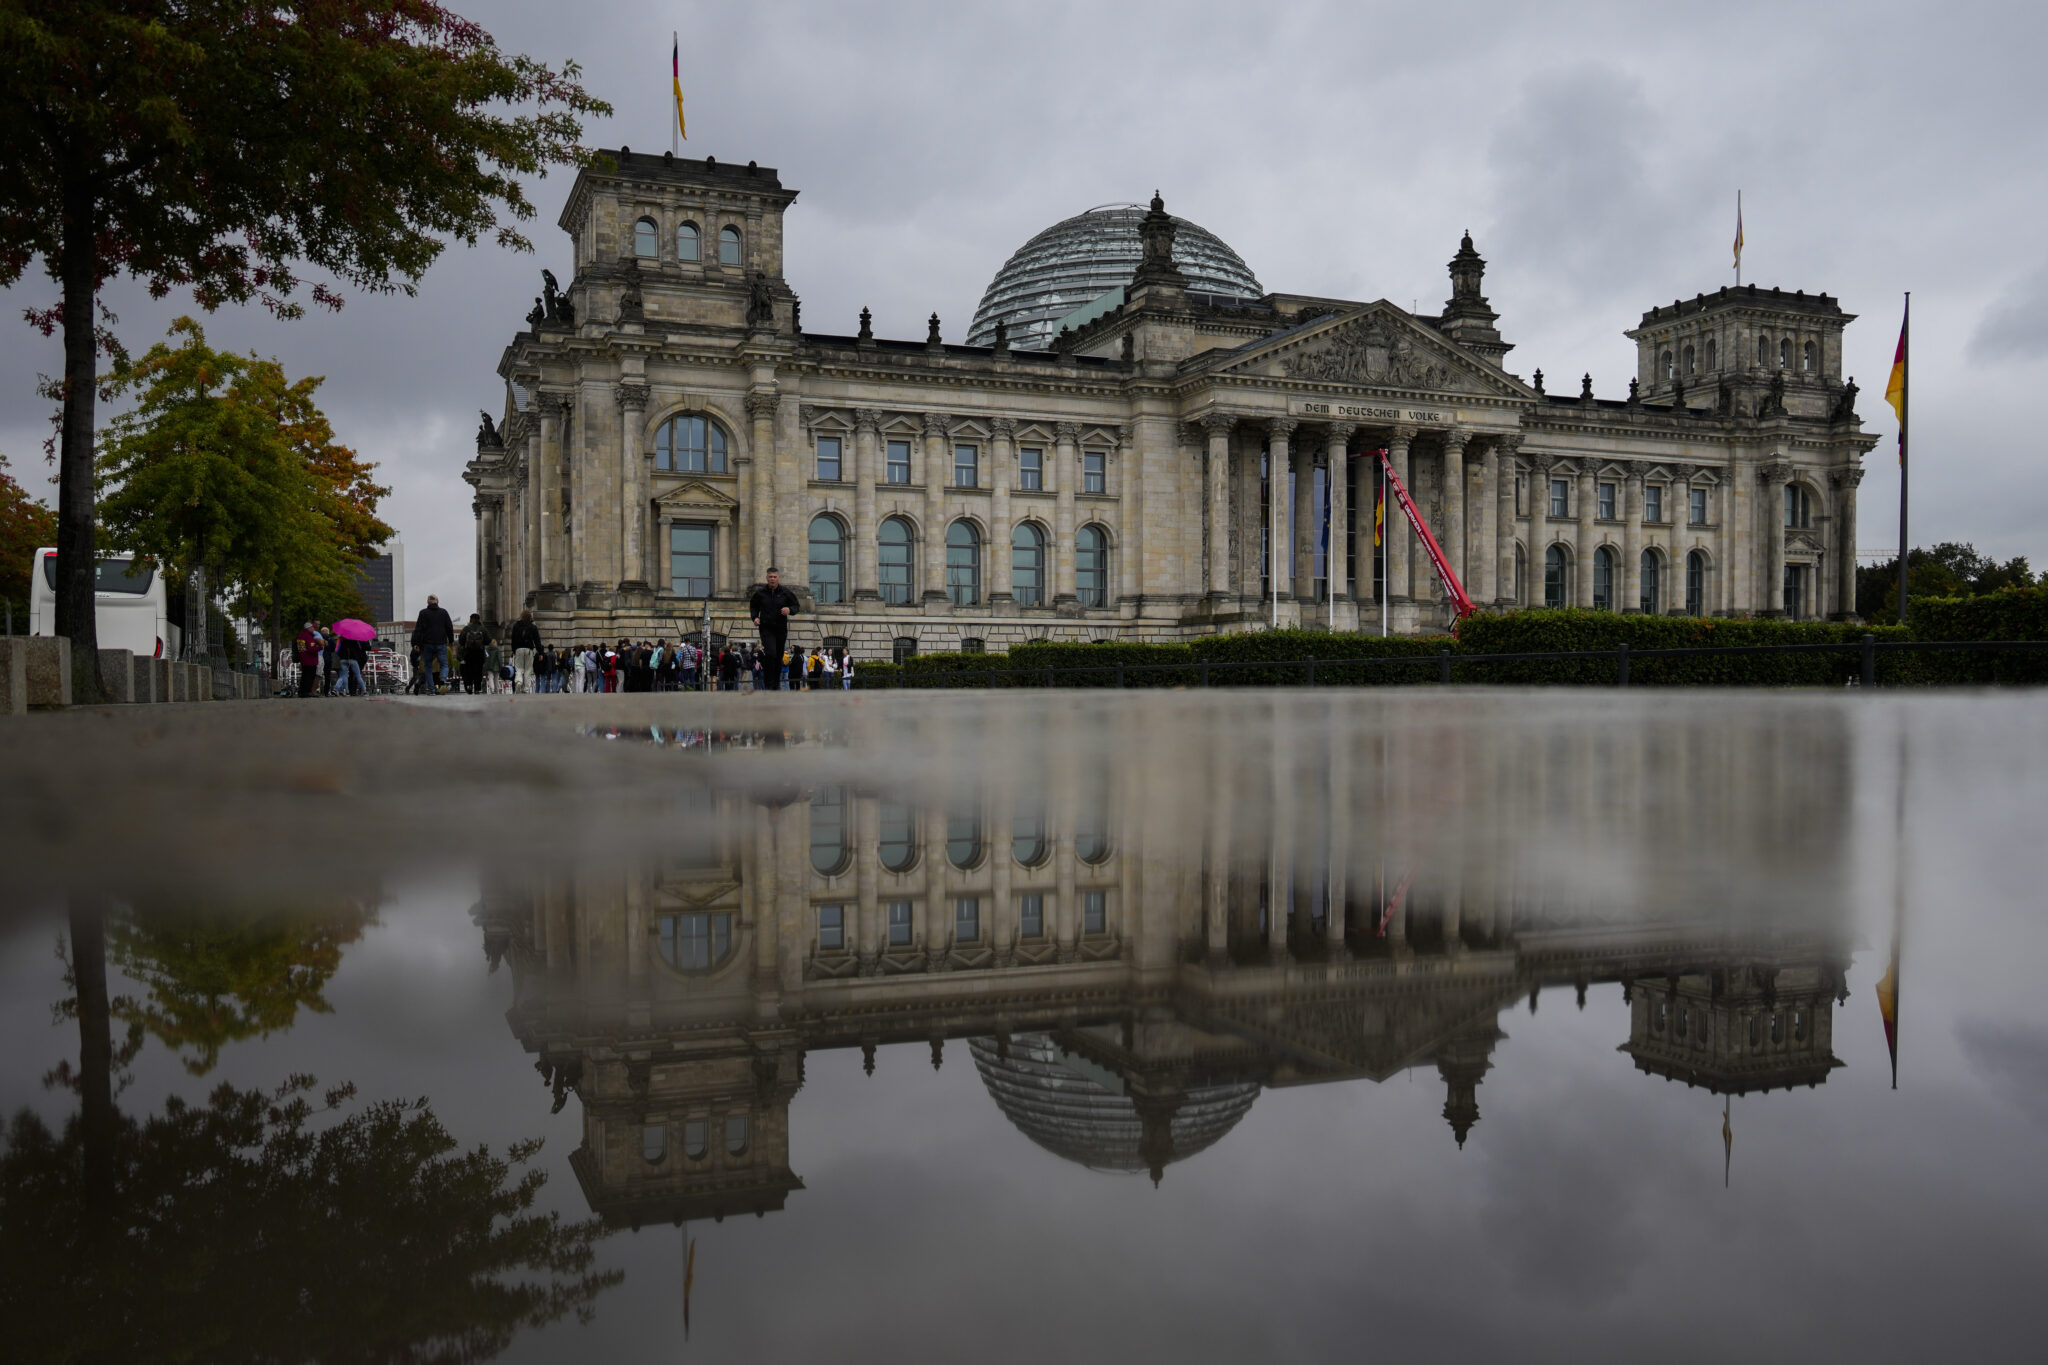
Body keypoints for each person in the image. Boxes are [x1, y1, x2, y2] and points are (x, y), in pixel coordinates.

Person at [749, 568, 800, 692]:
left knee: (778, 657)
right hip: (766, 627)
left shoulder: (786, 592)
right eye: (770, 577)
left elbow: (796, 606)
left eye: (774, 577)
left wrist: (790, 610)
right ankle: (768, 683)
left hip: (780, 628)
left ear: (778, 578)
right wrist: (755, 617)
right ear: (767, 578)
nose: (772, 579)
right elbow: (753, 606)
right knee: (770, 653)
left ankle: (775, 683)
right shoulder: (760, 593)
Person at [412, 593, 456, 693]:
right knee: (444, 664)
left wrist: (416, 643)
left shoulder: (423, 613)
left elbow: (418, 629)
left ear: (427, 602)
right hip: (441, 643)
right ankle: (443, 680)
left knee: (428, 666)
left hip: (427, 644)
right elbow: (449, 627)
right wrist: (451, 641)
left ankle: (431, 689)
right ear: (437, 602)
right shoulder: (444, 612)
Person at [458, 612, 491, 694]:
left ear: (470, 619)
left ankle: (469, 685)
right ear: (479, 619)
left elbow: (461, 641)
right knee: (478, 670)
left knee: (468, 670)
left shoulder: (466, 628)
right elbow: (488, 640)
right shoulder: (482, 629)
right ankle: (477, 688)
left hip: (468, 653)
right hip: (479, 653)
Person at [510, 610, 541, 693]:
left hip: (518, 649)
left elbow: (513, 639)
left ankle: (519, 681)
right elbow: (537, 641)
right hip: (529, 650)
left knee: (519, 669)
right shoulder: (533, 626)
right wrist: (541, 652)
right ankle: (526, 689)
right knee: (528, 670)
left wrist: (513, 650)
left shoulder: (516, 625)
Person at [294, 622, 323, 698]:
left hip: (303, 658)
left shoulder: (300, 636)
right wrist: (320, 647)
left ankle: (302, 691)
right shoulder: (308, 637)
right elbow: (311, 649)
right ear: (309, 628)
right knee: (309, 676)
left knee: (304, 676)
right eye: (312, 627)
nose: (313, 629)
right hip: (310, 659)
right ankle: (307, 692)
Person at [335, 631, 367, 696]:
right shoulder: (355, 639)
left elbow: (337, 650)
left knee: (344, 676)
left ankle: (346, 691)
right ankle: (364, 690)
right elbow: (359, 648)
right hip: (353, 659)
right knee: (358, 675)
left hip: (343, 659)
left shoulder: (341, 639)